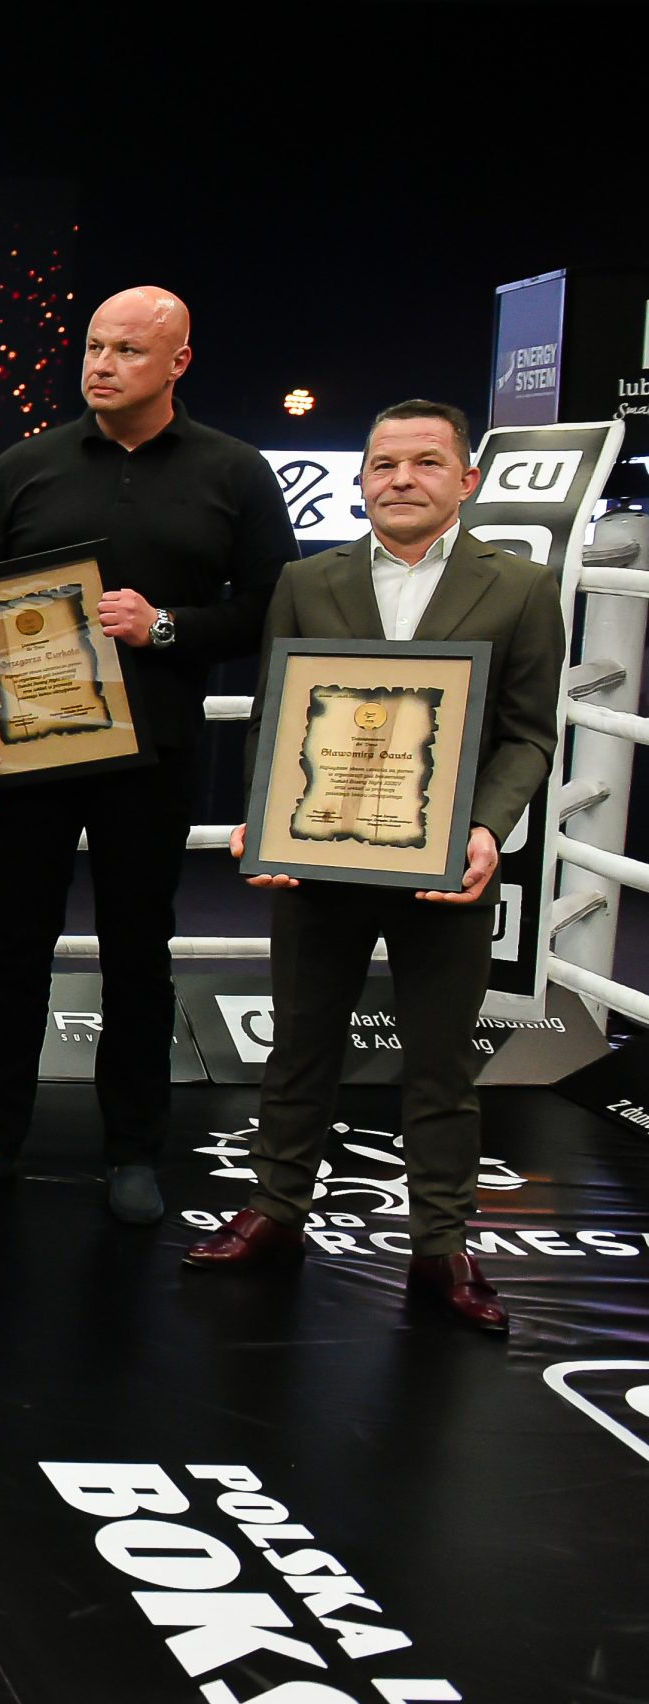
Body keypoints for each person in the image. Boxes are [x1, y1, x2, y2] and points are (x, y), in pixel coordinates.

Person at [186, 400, 563, 1333]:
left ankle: (441, 1244)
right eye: (384, 464)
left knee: (442, 1063)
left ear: (467, 480)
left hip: (447, 862)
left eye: (426, 462)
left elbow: (527, 735)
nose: (402, 479)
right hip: (319, 858)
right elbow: (276, 715)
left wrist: (487, 827)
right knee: (301, 1046)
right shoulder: (307, 580)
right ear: (360, 481)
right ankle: (275, 1211)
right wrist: (268, 820)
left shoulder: (520, 588)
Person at [0, 286, 294, 1223]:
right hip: (28, 745)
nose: (102, 364)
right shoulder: (26, 464)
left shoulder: (235, 471)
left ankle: (133, 1149)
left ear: (177, 362)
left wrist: (167, 626)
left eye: (127, 349)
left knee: (139, 951)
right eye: (94, 346)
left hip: (154, 753)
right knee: (15, 944)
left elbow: (271, 608)